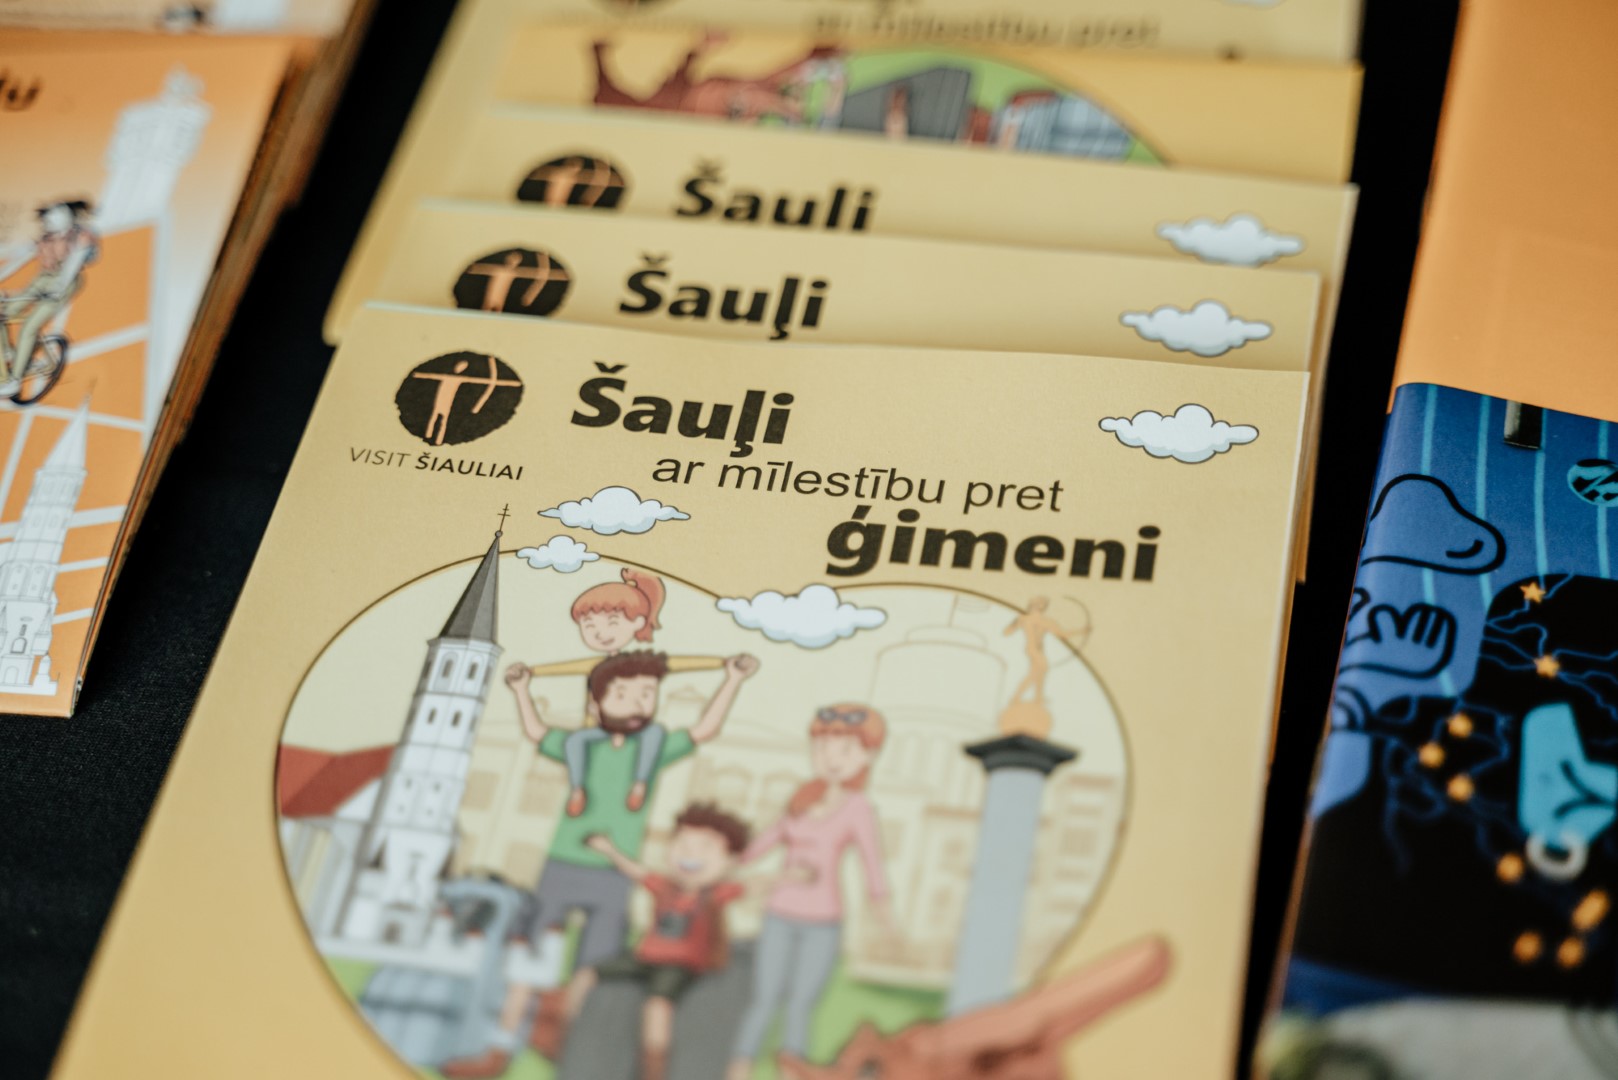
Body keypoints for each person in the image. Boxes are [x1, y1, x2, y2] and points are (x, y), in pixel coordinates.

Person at [442, 649, 758, 1079]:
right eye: (623, 694)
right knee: (529, 958)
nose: (637, 703)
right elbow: (536, 731)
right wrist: (520, 690)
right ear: (596, 703)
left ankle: (568, 1046)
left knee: (592, 968)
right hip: (563, 864)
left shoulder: (652, 747)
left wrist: (732, 680)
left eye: (647, 694)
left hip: (612, 877)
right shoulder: (580, 745)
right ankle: (500, 1046)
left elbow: (704, 729)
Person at [727, 704, 893, 1080]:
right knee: (764, 999)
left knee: (801, 1005)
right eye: (822, 748)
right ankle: (738, 1069)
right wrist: (725, 859)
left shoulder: (858, 808)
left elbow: (872, 863)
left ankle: (791, 1072)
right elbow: (760, 845)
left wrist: (883, 912)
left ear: (867, 756)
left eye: (845, 750)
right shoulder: (801, 801)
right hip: (779, 915)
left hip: (823, 921)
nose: (832, 759)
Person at [584, 802, 753, 1080]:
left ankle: (654, 1069)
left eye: (705, 848)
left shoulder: (712, 895)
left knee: (657, 1006)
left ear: (730, 860)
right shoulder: (665, 887)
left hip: (677, 963)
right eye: (682, 844)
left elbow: (753, 884)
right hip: (645, 956)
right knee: (587, 975)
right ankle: (555, 1028)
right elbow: (636, 871)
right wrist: (609, 850)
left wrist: (789, 877)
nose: (690, 854)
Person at [560, 569, 668, 816]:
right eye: (589, 625)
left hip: (637, 725)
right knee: (575, 740)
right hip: (603, 725)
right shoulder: (595, 665)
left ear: (638, 622)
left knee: (654, 733)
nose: (600, 633)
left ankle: (640, 784)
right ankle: (577, 790)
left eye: (612, 623)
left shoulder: (634, 662)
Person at [0, 200, 97, 391]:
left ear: (66, 218)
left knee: (29, 326)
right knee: (3, 313)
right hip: (43, 279)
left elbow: (72, 266)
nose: (47, 223)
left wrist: (58, 290)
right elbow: (19, 260)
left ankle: (14, 380)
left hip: (65, 282)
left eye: (52, 218)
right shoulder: (45, 238)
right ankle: (9, 353)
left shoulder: (81, 237)